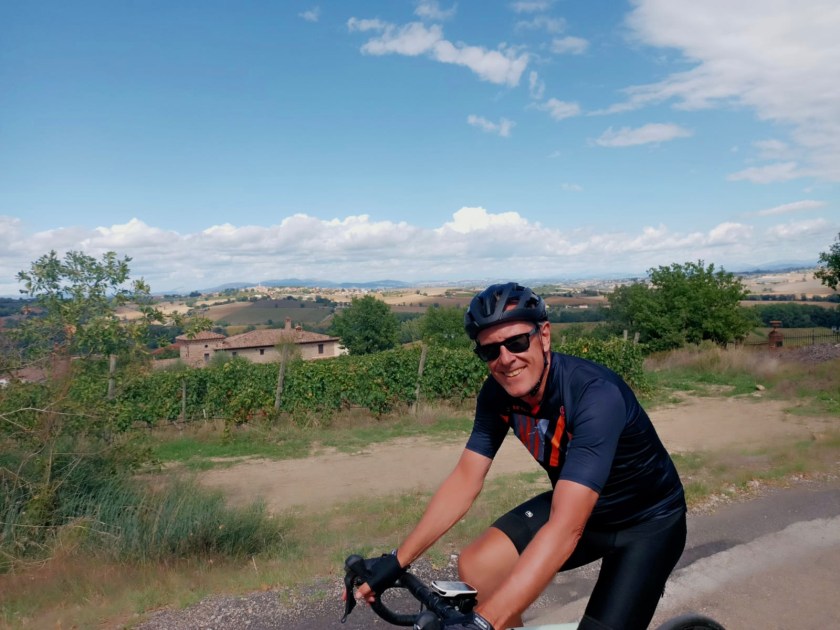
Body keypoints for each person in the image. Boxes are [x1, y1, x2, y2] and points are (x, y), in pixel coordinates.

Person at [353, 282, 686, 630]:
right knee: (479, 566)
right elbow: (465, 479)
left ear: (544, 336)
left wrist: (484, 622)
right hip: (582, 512)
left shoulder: (594, 394)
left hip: (647, 523)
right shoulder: (497, 395)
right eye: (490, 351)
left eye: (516, 342)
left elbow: (566, 528)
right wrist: (397, 561)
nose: (506, 359)